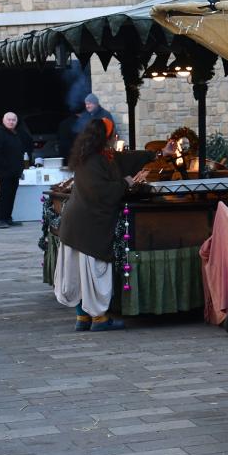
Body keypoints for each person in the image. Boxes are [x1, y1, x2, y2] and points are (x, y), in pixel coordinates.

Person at [54, 118, 174, 331]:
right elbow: (101, 192)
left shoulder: (99, 156)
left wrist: (159, 154)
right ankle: (98, 319)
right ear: (104, 137)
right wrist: (126, 182)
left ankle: (83, 318)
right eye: (113, 134)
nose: (115, 137)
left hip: (78, 225)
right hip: (87, 226)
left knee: (82, 274)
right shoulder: (93, 160)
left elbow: (126, 158)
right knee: (90, 272)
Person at [0, 112, 32, 228]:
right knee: (5, 195)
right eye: (9, 120)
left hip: (14, 171)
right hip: (4, 171)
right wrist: (6, 167)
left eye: (14, 120)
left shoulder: (16, 133)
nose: (11, 122)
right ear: (3, 120)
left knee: (11, 195)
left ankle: (8, 218)